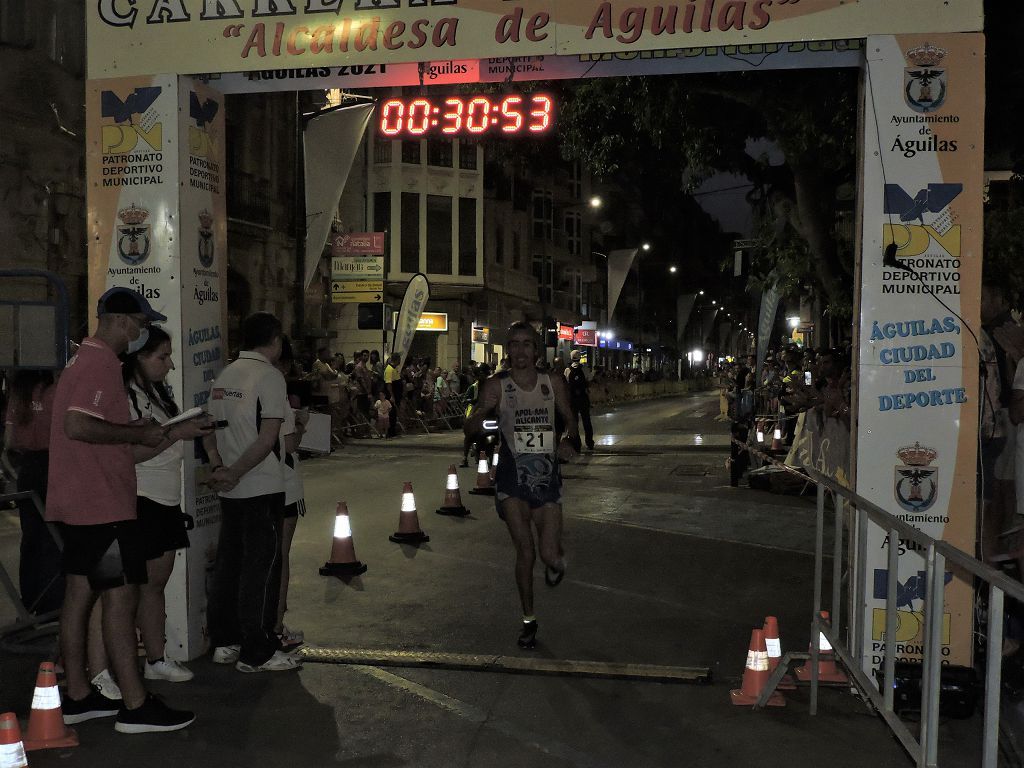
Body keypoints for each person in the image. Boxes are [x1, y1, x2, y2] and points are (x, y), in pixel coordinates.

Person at [47, 286, 205, 733]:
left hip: (81, 500)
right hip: (103, 502)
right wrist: (133, 433)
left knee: (80, 596)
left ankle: (78, 694)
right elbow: (78, 425)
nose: (141, 332)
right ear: (120, 321)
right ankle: (135, 705)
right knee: (121, 598)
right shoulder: (100, 362)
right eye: (139, 324)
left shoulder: (83, 358)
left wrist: (132, 432)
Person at [463, 322, 578, 650]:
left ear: (537, 350)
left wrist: (569, 439)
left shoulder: (552, 381)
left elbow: (570, 419)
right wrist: (473, 425)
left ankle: (557, 560)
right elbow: (475, 419)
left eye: (527, 344)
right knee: (525, 551)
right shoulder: (496, 386)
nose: (521, 351)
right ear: (508, 349)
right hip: (512, 479)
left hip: (546, 479)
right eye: (514, 344)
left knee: (548, 554)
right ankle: (528, 619)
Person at [203, 311, 299, 674]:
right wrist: (236, 472)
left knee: (230, 565)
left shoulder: (225, 375)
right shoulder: (270, 377)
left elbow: (209, 428)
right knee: (262, 569)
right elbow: (269, 436)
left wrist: (220, 468)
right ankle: (258, 650)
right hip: (260, 486)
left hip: (232, 488)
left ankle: (226, 642)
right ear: (274, 339)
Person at [123, 326, 197, 683]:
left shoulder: (156, 392)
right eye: (161, 357)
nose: (168, 365)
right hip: (142, 497)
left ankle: (155, 656)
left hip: (166, 497)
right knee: (139, 587)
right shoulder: (125, 394)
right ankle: (145, 658)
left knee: (156, 583)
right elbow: (129, 453)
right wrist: (175, 434)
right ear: (138, 356)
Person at [2, 369, 63, 614]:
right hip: (55, 466)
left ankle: (30, 603)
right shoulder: (55, 391)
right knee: (55, 537)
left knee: (31, 538)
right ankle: (53, 603)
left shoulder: (19, 395)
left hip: (28, 469)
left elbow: (9, 442)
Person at [274, 337, 306, 650]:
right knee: (279, 558)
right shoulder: (274, 390)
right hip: (280, 486)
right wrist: (302, 424)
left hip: (248, 486)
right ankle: (275, 628)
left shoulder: (230, 379)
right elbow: (289, 444)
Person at [461, 364, 491, 467]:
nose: (482, 376)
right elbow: (465, 400)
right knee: (469, 432)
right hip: (474, 409)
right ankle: (464, 458)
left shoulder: (492, 385)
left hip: (489, 411)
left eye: (485, 374)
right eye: (480, 374)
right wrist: (471, 402)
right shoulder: (473, 387)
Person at [564, 350, 595, 450]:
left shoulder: (567, 370)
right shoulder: (584, 368)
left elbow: (566, 384)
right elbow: (589, 379)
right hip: (583, 398)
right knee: (586, 421)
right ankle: (589, 442)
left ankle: (576, 443)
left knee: (574, 422)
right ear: (580, 357)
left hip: (573, 399)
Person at [383, 353, 402, 437]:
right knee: (391, 413)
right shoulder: (389, 369)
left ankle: (393, 430)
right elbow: (389, 384)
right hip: (391, 395)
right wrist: (391, 396)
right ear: (397, 359)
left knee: (394, 414)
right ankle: (390, 431)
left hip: (396, 393)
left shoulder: (394, 369)